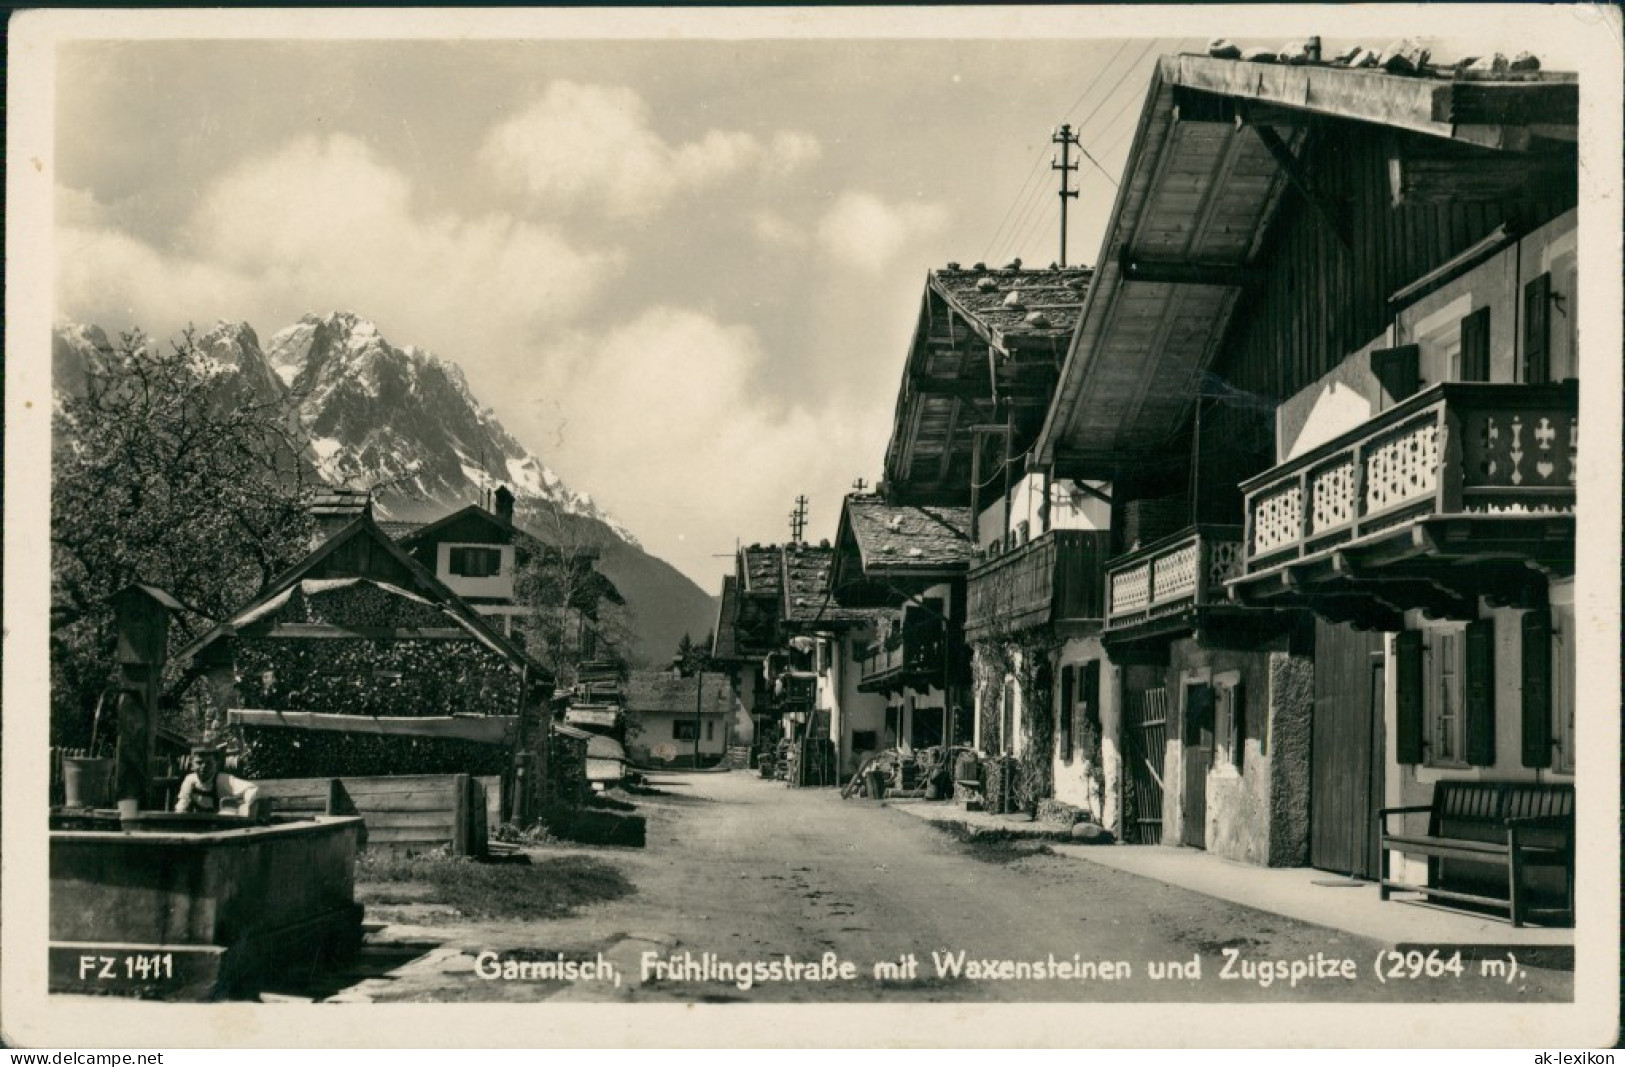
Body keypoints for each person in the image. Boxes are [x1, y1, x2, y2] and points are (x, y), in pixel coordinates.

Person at [174, 743, 260, 817]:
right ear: (192, 765)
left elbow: (252, 788)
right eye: (199, 763)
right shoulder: (190, 780)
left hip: (223, 823)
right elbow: (183, 803)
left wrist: (246, 809)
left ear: (216, 764)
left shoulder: (223, 780)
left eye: (208, 763)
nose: (203, 767)